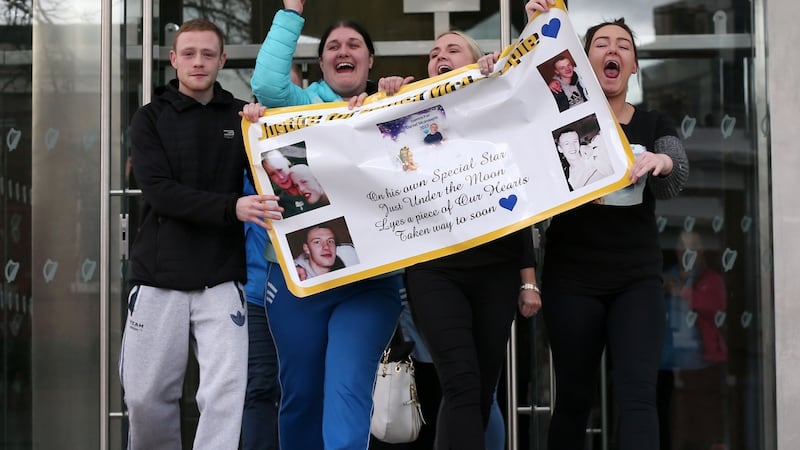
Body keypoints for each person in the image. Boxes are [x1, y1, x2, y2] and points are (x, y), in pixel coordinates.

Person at [492, 3, 690, 449]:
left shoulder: (654, 122)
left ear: (634, 66)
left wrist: (662, 161)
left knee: (638, 396)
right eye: (600, 44)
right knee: (574, 399)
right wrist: (536, 27)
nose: (612, 50)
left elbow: (676, 171)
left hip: (636, 280)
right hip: (572, 280)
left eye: (623, 46)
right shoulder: (561, 116)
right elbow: (522, 88)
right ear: (584, 60)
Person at [377, 26, 545, 450]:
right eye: (433, 53)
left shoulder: (495, 112)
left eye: (453, 49)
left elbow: (519, 199)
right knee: (464, 384)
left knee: (478, 392)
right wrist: (387, 99)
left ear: (476, 62)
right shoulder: (406, 115)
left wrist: (527, 280)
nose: (440, 56)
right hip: (437, 271)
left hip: (497, 270)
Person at [245, 1, 403, 449]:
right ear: (321, 64)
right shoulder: (299, 104)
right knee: (301, 396)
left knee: (347, 388)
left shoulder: (388, 103)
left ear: (370, 61)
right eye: (333, 46)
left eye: (354, 44)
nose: (343, 50)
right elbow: (267, 84)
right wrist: (291, 11)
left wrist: (391, 98)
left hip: (369, 282)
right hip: (300, 283)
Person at [119, 18, 282, 450]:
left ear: (222, 60)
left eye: (208, 54)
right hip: (157, 278)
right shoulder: (148, 119)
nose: (198, 62)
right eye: (188, 53)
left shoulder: (240, 116)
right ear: (173, 59)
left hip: (221, 280)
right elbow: (161, 193)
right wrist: (232, 208)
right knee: (144, 398)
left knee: (225, 397)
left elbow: (281, 165)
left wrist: (263, 127)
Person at [658, 230, 727, 450]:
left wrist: (683, 293)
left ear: (701, 251)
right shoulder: (666, 277)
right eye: (682, 246)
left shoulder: (711, 279)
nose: (686, 251)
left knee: (703, 420)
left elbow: (715, 307)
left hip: (702, 361)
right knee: (671, 420)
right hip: (666, 362)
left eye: (693, 246)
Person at [261, 149, 309, 216]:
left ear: (287, 164)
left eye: (280, 170)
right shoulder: (278, 204)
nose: (281, 177)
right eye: (272, 174)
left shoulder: (313, 186)